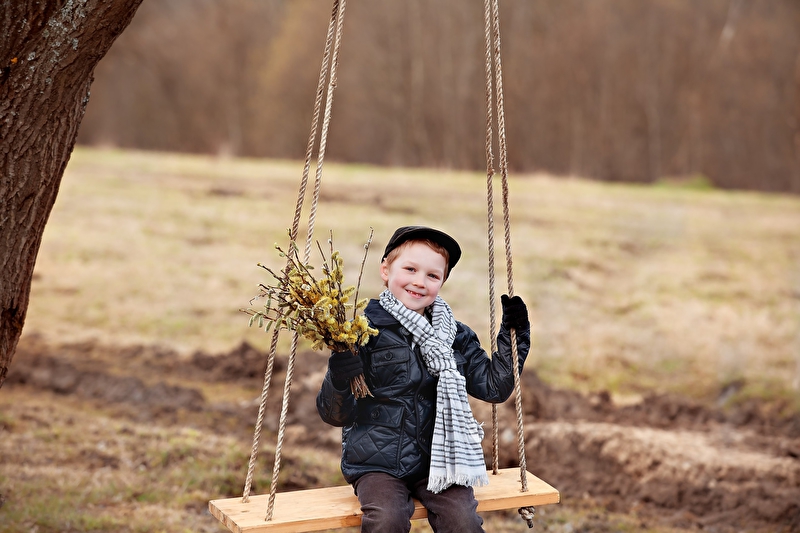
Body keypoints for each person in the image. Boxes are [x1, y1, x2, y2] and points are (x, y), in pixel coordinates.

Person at [316, 225, 530, 533]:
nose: (419, 281)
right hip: (377, 464)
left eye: (432, 275)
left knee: (463, 521)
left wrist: (514, 335)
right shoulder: (361, 333)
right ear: (386, 270)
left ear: (442, 282)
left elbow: (494, 387)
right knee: (386, 519)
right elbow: (335, 414)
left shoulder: (455, 335)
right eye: (410, 269)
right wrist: (338, 377)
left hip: (441, 460)